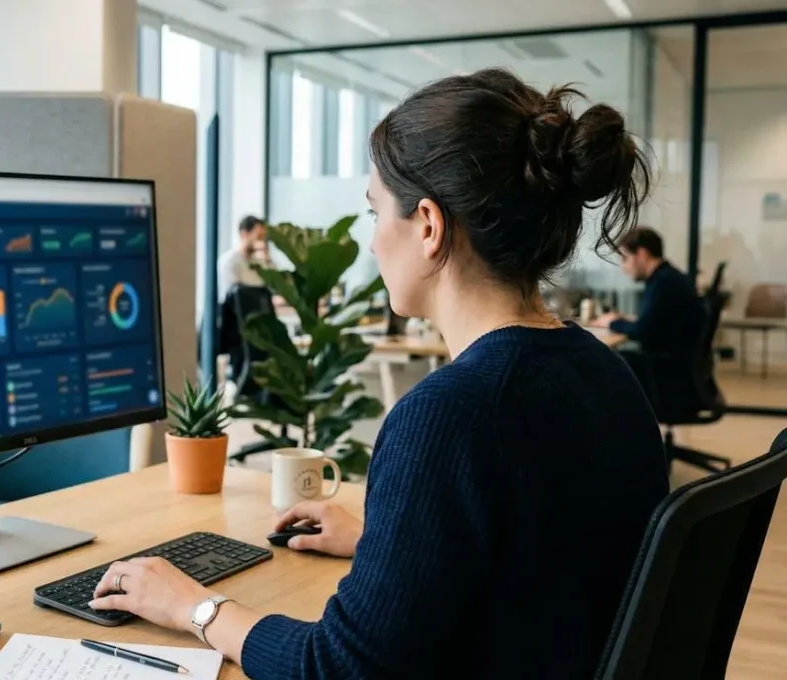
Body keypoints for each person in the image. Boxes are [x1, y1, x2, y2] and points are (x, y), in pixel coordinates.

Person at [88, 68, 669, 679]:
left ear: (428, 225)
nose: (371, 244)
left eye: (374, 213)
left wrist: (194, 607)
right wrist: (385, 545)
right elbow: (537, 561)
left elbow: (340, 669)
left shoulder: (451, 414)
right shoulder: (606, 373)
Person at [590, 227, 705, 358]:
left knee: (601, 359)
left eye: (625, 259)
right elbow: (655, 322)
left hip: (664, 366)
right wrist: (625, 319)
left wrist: (611, 323)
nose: (624, 269)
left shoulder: (663, 282)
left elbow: (642, 331)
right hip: (675, 361)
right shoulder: (668, 277)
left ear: (642, 254)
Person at [217, 215, 267, 297]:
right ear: (244, 234)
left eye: (263, 238)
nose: (262, 242)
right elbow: (235, 294)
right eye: (259, 237)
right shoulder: (230, 261)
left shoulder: (260, 262)